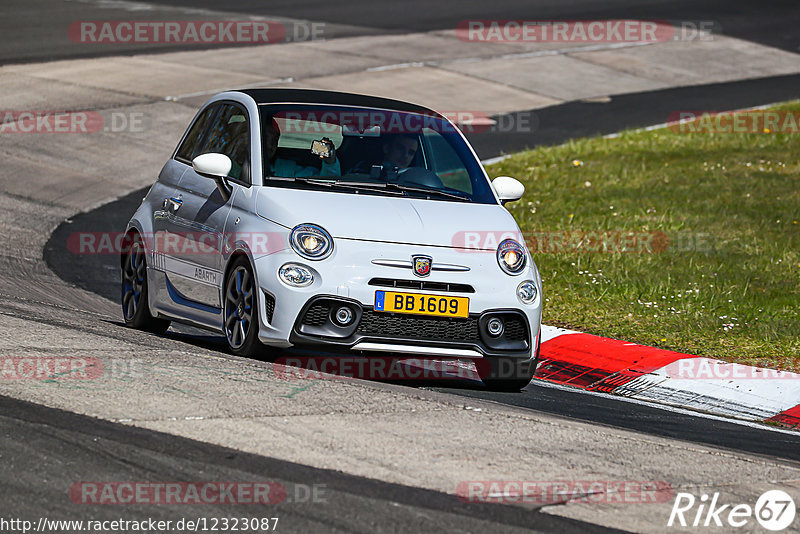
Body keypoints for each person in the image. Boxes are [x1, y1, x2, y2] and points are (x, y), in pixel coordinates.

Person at [263, 117, 341, 177]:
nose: (270, 145)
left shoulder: (285, 169)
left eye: (275, 139)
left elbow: (325, 182)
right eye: (266, 137)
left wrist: (329, 162)